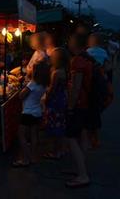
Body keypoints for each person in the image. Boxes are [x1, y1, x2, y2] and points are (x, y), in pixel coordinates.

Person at [65, 33, 93, 187]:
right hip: (87, 104)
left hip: (79, 105)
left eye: (70, 38)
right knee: (83, 136)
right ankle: (81, 168)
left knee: (71, 137)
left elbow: (75, 88)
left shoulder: (78, 61)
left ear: (75, 42)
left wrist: (70, 107)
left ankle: (83, 175)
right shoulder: (88, 58)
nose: (68, 41)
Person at [13, 60, 50, 167]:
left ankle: (25, 158)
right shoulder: (43, 84)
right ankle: (33, 157)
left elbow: (21, 96)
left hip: (27, 112)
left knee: (21, 135)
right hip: (37, 112)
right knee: (34, 135)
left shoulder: (32, 84)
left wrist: (23, 88)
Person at [43, 47, 68, 159]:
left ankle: (54, 152)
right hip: (62, 100)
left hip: (55, 101)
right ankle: (61, 150)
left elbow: (52, 89)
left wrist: (46, 99)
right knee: (60, 127)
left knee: (53, 127)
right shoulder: (65, 70)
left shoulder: (56, 73)